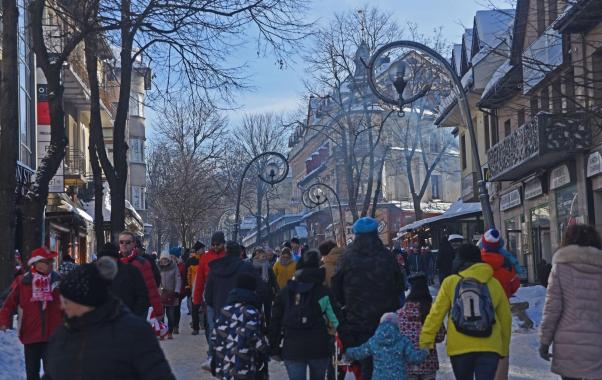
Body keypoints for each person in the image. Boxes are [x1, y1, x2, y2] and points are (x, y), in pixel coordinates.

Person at [43, 257, 176, 380]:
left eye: (66, 302)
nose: (61, 306)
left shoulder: (134, 333)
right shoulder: (61, 334)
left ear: (86, 302)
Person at [419, 244, 512, 380]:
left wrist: (426, 341)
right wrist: (503, 349)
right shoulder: (493, 283)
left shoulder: (450, 283)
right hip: (490, 346)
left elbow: (436, 314)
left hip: (459, 347)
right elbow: (505, 318)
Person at [331, 217, 404, 380]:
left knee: (366, 365)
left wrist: (347, 305)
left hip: (357, 323)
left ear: (356, 234)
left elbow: (335, 290)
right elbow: (400, 285)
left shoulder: (346, 257)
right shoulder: (387, 257)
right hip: (385, 322)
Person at [539, 224, 602, 380]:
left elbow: (552, 309)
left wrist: (544, 341)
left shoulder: (560, 269)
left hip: (568, 344)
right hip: (597, 343)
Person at [269, 250, 339, 380]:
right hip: (319, 347)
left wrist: (274, 347)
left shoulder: (285, 292)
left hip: (292, 349)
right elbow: (335, 320)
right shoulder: (323, 292)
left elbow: (275, 321)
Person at [0, 247, 63, 380]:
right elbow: (8, 302)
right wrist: (4, 321)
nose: (51, 264)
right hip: (30, 335)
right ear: (36, 263)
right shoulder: (23, 281)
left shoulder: (58, 281)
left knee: (52, 374)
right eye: (47, 262)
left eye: (52, 261)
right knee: (32, 374)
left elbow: (69, 305)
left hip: (53, 336)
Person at [204, 241, 257, 371]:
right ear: (240, 252)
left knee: (221, 340)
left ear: (226, 251)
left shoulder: (215, 268)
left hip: (220, 310)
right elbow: (259, 288)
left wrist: (215, 304)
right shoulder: (247, 268)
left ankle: (216, 360)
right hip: (243, 311)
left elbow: (208, 294)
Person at [211, 272, 269, 380]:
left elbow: (215, 336)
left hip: (225, 363)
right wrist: (266, 349)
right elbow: (253, 336)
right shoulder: (250, 311)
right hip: (243, 363)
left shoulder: (225, 310)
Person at [344, 312, 428, 380]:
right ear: (397, 325)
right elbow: (414, 358)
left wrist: (347, 352)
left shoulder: (374, 341)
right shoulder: (403, 340)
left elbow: (360, 352)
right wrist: (425, 351)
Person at [398, 273, 445, 380]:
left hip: (408, 363)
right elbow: (440, 337)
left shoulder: (401, 313)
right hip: (428, 362)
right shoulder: (432, 312)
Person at [119, 231, 164, 319]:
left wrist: (158, 311)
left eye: (128, 242)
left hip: (138, 311)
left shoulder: (142, 263)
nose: (124, 244)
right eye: (121, 242)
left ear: (133, 244)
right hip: (119, 311)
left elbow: (151, 288)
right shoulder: (115, 262)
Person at [97, 242, 149, 318]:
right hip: (102, 321)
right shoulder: (94, 272)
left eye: (110, 258)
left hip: (127, 319)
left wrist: (134, 316)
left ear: (115, 258)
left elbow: (143, 295)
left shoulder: (131, 271)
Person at [251, 247, 279, 326]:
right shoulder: (253, 267)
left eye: (264, 256)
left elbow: (273, 279)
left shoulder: (268, 266)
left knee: (268, 312)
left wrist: (277, 290)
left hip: (268, 291)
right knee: (258, 311)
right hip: (257, 292)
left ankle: (269, 328)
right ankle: (260, 327)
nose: (264, 258)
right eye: (262, 256)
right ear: (256, 256)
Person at [158, 251, 182, 339]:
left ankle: (170, 331)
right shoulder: (158, 267)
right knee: (160, 316)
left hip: (172, 295)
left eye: (165, 259)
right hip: (161, 294)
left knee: (171, 315)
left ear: (168, 259)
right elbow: (156, 280)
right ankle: (162, 332)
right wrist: (159, 289)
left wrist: (176, 291)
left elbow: (178, 279)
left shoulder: (174, 267)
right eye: (162, 259)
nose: (164, 261)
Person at [186, 241, 204, 335]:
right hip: (194, 287)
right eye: (201, 249)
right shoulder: (191, 261)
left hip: (205, 287)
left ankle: (204, 324)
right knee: (195, 309)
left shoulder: (205, 259)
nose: (203, 250)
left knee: (204, 308)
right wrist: (188, 286)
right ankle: (196, 327)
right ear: (197, 251)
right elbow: (187, 275)